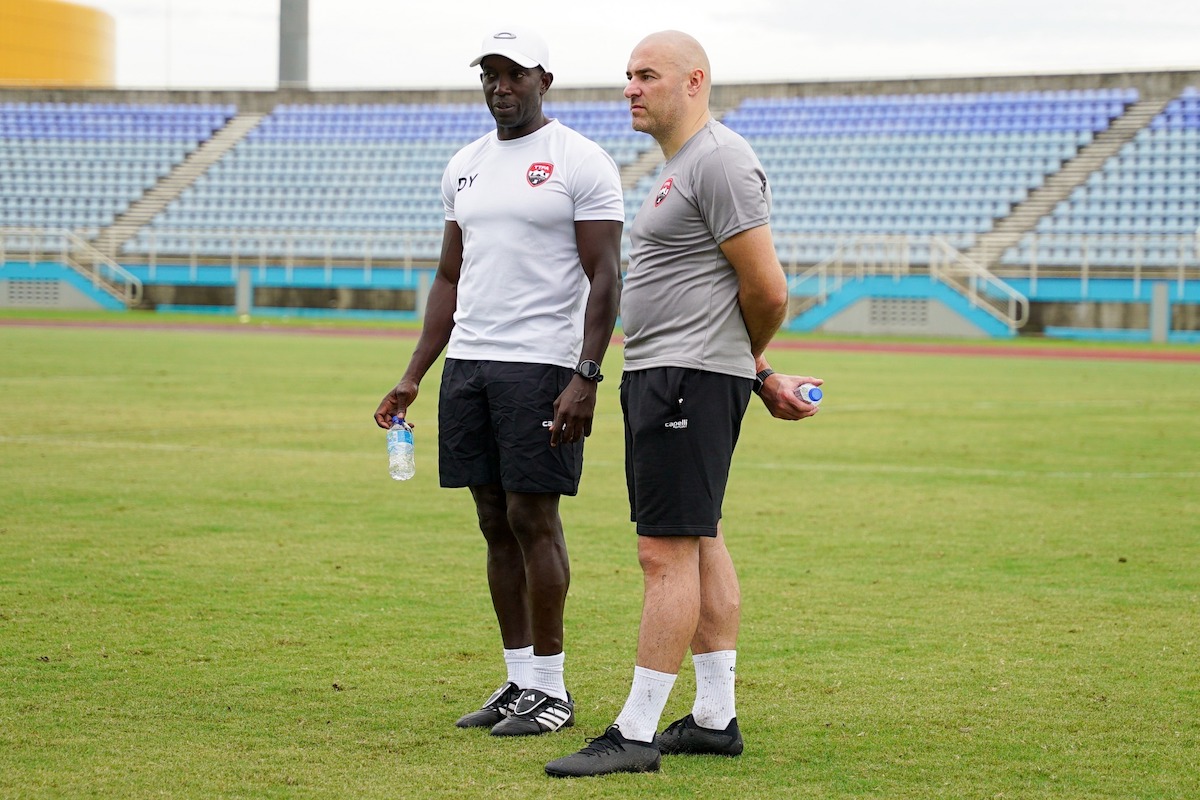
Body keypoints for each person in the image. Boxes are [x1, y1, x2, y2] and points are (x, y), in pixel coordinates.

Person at [545, 30, 822, 777]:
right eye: (627, 76)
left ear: (694, 81)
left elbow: (767, 290)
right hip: (677, 374)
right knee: (700, 540)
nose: (630, 88)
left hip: (684, 379)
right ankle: (713, 717)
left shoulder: (722, 160)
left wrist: (739, 366)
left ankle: (635, 731)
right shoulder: (680, 168)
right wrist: (758, 373)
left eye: (647, 75)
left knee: (662, 552)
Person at [374, 26, 624, 738]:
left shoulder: (581, 160)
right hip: (470, 366)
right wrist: (414, 374)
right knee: (492, 521)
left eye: (513, 73)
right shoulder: (464, 165)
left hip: (543, 364)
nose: (499, 86)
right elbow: (451, 276)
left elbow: (606, 274)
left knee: (533, 519)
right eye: (489, 73)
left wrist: (586, 374)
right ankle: (518, 680)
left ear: (545, 78)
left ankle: (553, 688)